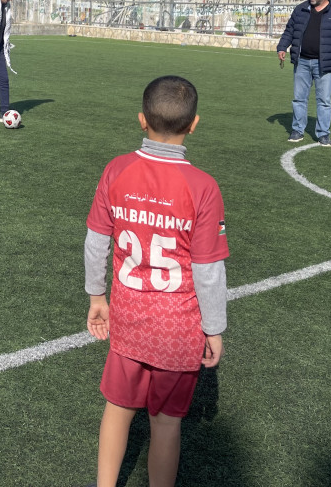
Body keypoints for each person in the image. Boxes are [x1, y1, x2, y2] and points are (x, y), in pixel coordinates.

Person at [84, 76, 229, 487]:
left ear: (141, 120)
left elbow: (96, 242)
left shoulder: (117, 169)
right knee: (165, 424)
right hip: (178, 329)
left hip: (128, 319)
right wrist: (214, 328)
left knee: (118, 409)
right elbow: (208, 270)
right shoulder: (203, 187)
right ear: (194, 125)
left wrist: (96, 296)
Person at [276, 0, 331, 147]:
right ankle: (297, 130)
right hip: (302, 62)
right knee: (299, 99)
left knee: (324, 101)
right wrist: (282, 47)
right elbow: (290, 30)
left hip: (324, 64)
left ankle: (323, 134)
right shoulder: (301, 9)